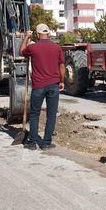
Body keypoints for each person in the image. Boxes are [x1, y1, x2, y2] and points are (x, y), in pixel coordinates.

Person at [19, 23, 65, 151]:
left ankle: (32, 142)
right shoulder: (57, 48)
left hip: (38, 86)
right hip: (53, 85)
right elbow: (62, 66)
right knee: (51, 114)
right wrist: (62, 81)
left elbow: (21, 51)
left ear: (38, 35)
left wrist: (26, 37)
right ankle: (46, 143)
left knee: (34, 114)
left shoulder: (33, 48)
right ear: (48, 33)